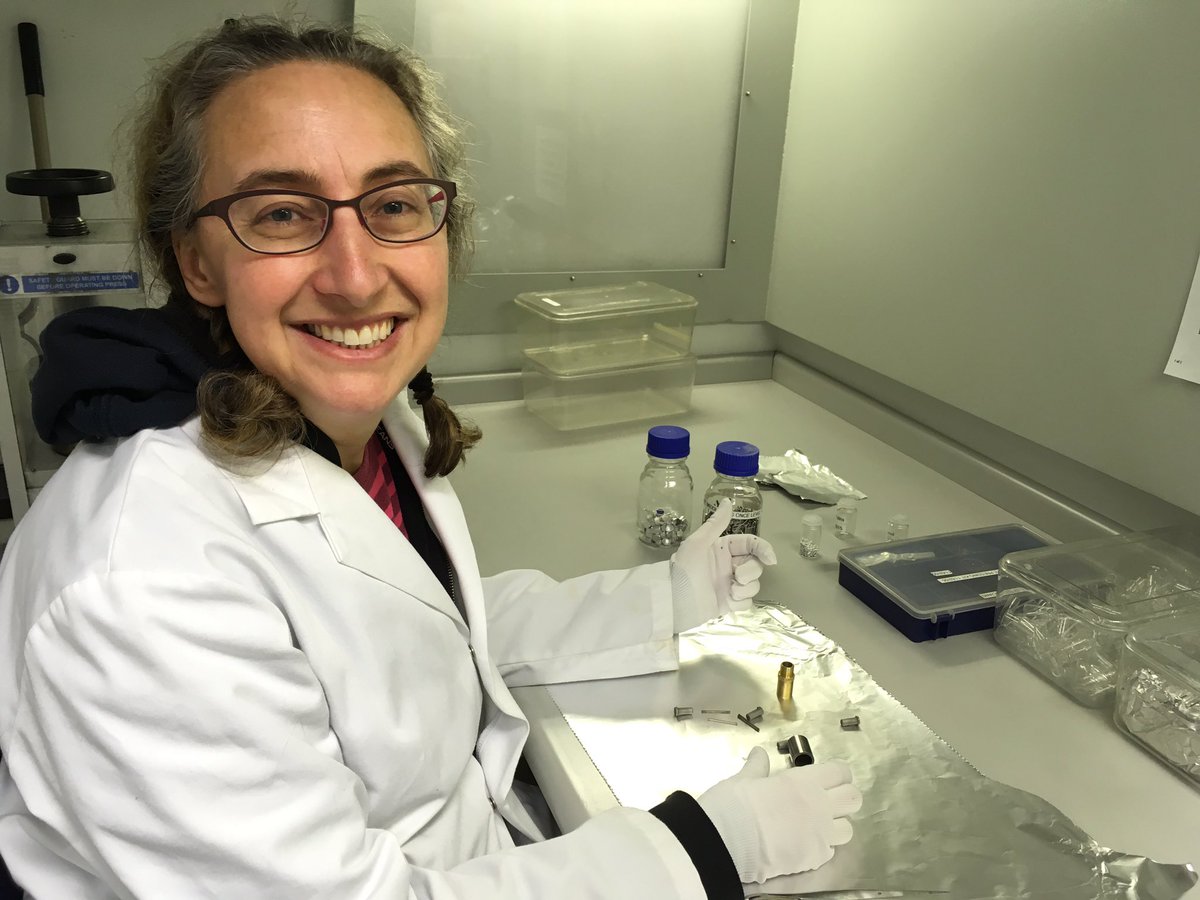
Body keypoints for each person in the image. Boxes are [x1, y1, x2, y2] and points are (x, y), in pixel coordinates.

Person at [0, 17, 861, 900]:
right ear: (197, 262)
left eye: (394, 204)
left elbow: (425, 633)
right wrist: (699, 852)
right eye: (284, 213)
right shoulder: (143, 587)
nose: (356, 273)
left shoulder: (339, 420)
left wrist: (658, 598)